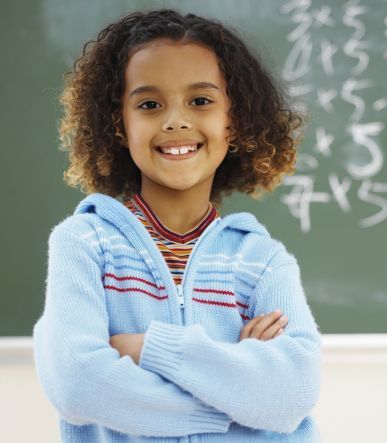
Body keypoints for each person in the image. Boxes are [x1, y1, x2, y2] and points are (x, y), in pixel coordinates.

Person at [33, 9, 321, 442]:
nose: (176, 121)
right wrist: (234, 390)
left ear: (234, 120)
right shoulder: (85, 244)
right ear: (119, 125)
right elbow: (79, 384)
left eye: (200, 101)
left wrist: (146, 348)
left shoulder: (261, 261)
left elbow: (291, 393)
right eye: (149, 104)